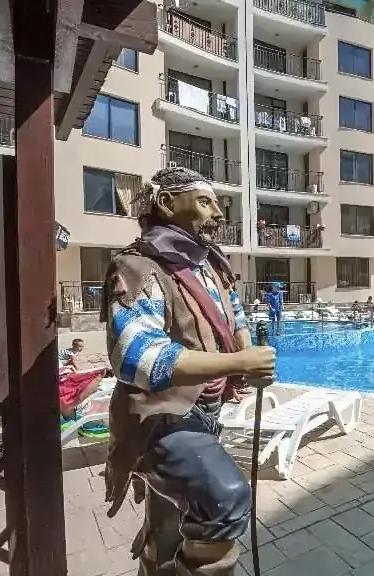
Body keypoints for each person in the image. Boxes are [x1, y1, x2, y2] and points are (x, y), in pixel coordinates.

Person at [101, 167, 276, 575]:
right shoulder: (137, 268)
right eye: (204, 202)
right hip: (156, 419)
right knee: (225, 499)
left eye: (217, 203)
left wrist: (246, 350)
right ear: (166, 203)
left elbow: (235, 315)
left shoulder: (209, 264)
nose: (218, 213)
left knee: (169, 530)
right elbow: (137, 356)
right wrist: (239, 363)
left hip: (201, 415)